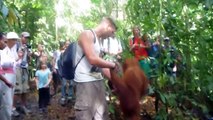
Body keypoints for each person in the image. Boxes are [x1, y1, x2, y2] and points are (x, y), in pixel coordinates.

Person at [74, 17, 118, 120]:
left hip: (98, 81)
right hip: (86, 83)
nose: (111, 35)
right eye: (112, 32)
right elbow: (92, 59)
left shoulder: (99, 42)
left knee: (102, 116)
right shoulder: (87, 34)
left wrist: (117, 81)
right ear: (107, 26)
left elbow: (101, 66)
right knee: (85, 116)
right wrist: (113, 65)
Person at [0, 32, 19, 120]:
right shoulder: (2, 51)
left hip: (11, 76)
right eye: (13, 40)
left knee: (8, 101)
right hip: (4, 77)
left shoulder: (13, 50)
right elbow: (4, 65)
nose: (15, 42)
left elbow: (15, 62)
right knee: (5, 102)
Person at [13, 32, 32, 115]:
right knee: (17, 89)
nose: (26, 39)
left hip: (25, 68)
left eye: (28, 38)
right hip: (17, 68)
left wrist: (29, 55)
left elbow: (28, 60)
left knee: (25, 89)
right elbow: (13, 57)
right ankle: (12, 108)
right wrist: (19, 54)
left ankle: (23, 106)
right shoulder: (16, 45)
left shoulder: (27, 47)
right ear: (21, 37)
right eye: (25, 37)